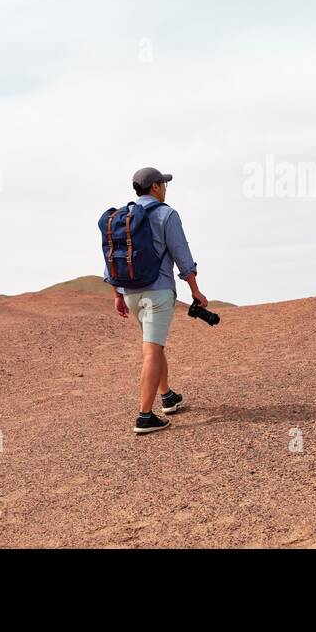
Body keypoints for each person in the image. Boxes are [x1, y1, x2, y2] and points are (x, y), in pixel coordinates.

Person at [107, 167, 207, 434]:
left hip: (131, 293)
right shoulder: (166, 214)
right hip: (157, 293)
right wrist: (195, 291)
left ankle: (167, 396)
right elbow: (182, 255)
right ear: (154, 187)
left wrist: (117, 294)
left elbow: (111, 256)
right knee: (151, 350)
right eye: (163, 184)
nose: (165, 188)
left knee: (156, 345)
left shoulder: (122, 217)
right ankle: (144, 416)